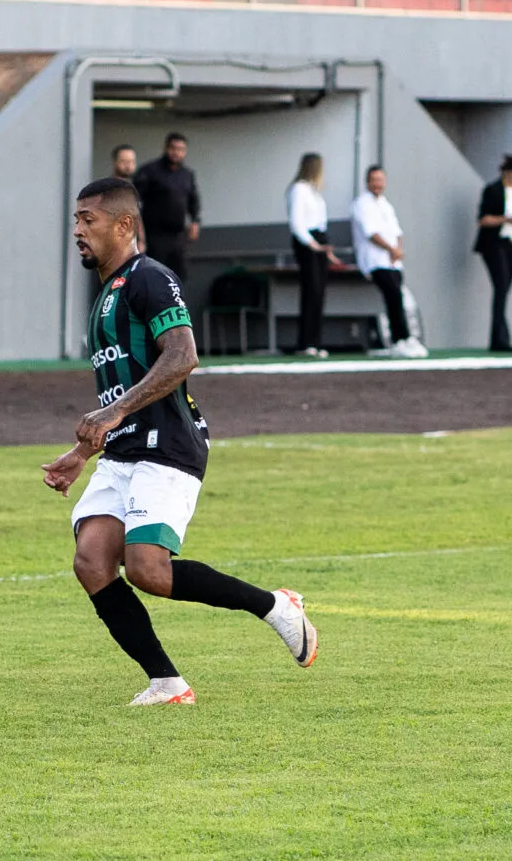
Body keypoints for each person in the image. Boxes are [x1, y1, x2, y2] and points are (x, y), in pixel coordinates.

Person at [41, 177, 317, 708]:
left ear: (124, 225)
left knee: (148, 570)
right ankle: (167, 683)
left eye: (87, 220)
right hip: (123, 450)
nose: (77, 230)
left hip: (166, 446)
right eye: (76, 220)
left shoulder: (149, 278)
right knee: (91, 561)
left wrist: (114, 411)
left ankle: (275, 606)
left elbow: (183, 355)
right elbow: (119, 389)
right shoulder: (107, 293)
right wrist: (81, 452)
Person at [351, 166, 421, 357]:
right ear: (367, 181)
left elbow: (397, 231)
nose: (378, 184)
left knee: (397, 297)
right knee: (393, 297)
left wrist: (397, 250)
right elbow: (371, 232)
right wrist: (391, 249)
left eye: (381, 180)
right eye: (374, 179)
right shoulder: (362, 204)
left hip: (392, 262)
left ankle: (407, 338)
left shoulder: (385, 204)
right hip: (375, 261)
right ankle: (399, 339)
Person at [286, 152, 344, 358]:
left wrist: (325, 249)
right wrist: (313, 245)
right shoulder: (298, 190)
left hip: (319, 242)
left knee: (319, 293)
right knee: (311, 292)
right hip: (307, 243)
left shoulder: (314, 192)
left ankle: (315, 341)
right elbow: (297, 223)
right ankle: (305, 342)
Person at [474, 154, 512, 354]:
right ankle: (499, 338)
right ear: (507, 172)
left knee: (504, 290)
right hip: (495, 244)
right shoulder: (493, 190)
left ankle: (500, 335)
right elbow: (483, 219)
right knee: (501, 287)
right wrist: (505, 219)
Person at [134, 132, 202, 274]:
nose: (176, 153)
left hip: (178, 235)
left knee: (179, 274)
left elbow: (193, 200)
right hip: (155, 235)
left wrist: (195, 221)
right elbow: (134, 201)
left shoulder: (187, 174)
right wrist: (139, 236)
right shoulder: (150, 171)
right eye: (173, 148)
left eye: (181, 149)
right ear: (166, 148)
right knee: (155, 274)